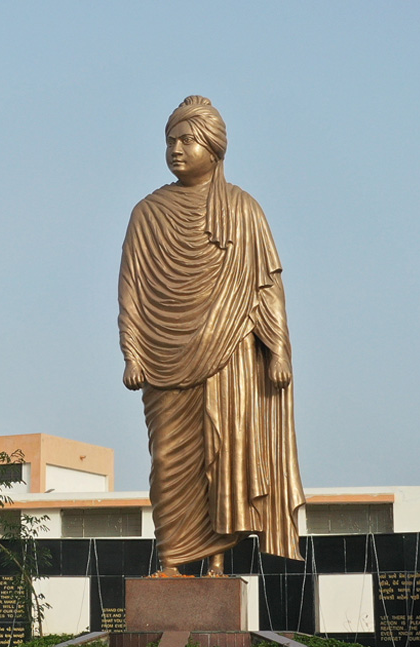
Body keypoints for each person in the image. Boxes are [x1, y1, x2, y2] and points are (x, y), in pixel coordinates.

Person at [118, 95, 305, 575]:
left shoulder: (243, 209)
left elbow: (267, 287)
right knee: (168, 459)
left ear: (214, 147)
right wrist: (132, 352)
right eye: (170, 141)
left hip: (229, 352)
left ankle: (218, 564)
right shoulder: (147, 213)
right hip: (162, 358)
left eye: (187, 140)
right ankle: (171, 561)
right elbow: (131, 288)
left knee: (223, 458)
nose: (176, 149)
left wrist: (278, 350)